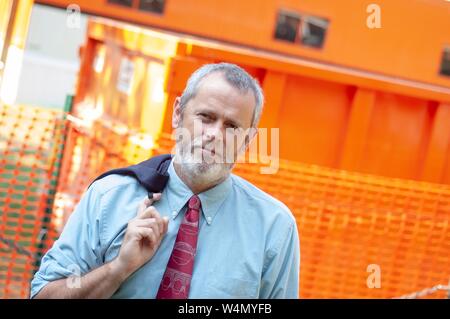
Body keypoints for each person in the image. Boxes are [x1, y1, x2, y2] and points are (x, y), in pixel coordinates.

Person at [30, 62, 300, 299]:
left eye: (232, 127)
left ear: (249, 139)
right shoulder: (109, 198)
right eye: (206, 117)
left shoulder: (274, 229)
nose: (215, 134)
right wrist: (117, 269)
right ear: (177, 113)